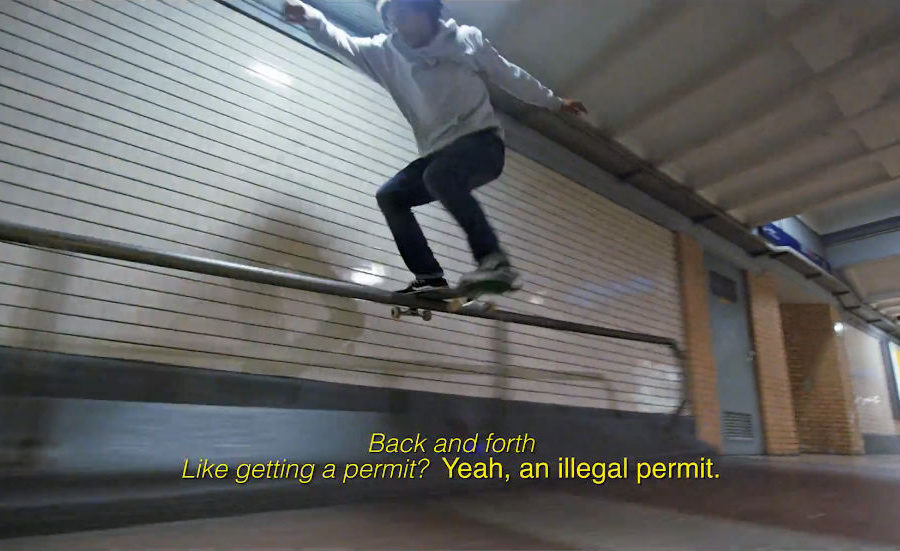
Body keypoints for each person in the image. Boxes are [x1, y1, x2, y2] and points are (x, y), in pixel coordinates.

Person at [282, 0, 587, 295]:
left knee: (438, 176)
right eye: (394, 20)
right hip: (437, 155)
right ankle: (428, 276)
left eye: (406, 16)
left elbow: (509, 74)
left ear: (428, 11)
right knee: (391, 196)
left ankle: (494, 261)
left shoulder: (464, 40)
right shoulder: (385, 52)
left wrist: (554, 102)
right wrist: (309, 16)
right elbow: (342, 43)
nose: (401, 26)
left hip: (482, 145)